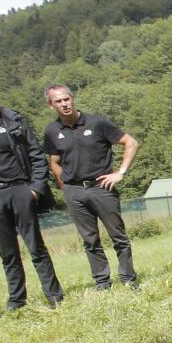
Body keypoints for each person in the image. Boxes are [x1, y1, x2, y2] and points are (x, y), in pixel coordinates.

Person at [0, 73, 64, 310]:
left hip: (20, 190)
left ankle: (55, 298)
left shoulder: (12, 120)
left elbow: (37, 155)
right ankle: (17, 302)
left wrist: (35, 189)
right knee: (8, 253)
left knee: (36, 248)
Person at [42, 85, 139, 290]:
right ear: (51, 105)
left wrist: (120, 173)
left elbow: (131, 143)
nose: (64, 104)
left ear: (73, 98)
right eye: (58, 101)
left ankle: (128, 279)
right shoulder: (51, 131)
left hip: (101, 187)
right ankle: (102, 283)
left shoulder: (97, 123)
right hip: (74, 192)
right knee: (90, 241)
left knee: (119, 237)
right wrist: (65, 187)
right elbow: (54, 161)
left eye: (66, 99)